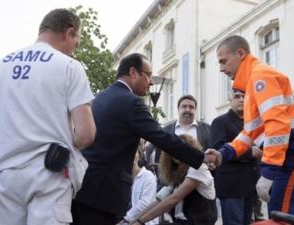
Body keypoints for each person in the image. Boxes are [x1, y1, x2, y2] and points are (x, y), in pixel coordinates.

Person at [0, 8, 96, 225]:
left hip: (6, 173)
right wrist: (64, 139)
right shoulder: (69, 66)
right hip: (49, 172)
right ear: (69, 33)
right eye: (76, 42)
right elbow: (86, 135)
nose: (74, 50)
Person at [72, 53, 219, 225]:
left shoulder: (99, 98)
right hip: (105, 196)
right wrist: (201, 156)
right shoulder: (131, 102)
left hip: (82, 188)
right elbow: (160, 136)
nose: (151, 81)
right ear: (133, 73)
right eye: (148, 75)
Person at [212, 35, 294, 223]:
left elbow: (278, 126)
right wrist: (223, 154)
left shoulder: (260, 77)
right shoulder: (254, 82)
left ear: (240, 54)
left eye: (223, 61)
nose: (221, 68)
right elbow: (250, 132)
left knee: (283, 218)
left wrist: (268, 172)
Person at [134, 134, 217, 225]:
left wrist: (140, 221)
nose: (176, 153)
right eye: (173, 150)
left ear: (190, 151)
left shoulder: (198, 168)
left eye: (181, 150)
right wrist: (133, 220)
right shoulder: (177, 174)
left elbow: (175, 198)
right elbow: (158, 200)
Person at [210, 89, 261, 225]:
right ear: (230, 100)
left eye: (245, 97)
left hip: (250, 185)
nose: (241, 99)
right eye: (237, 96)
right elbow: (218, 149)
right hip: (231, 186)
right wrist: (249, 153)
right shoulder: (220, 122)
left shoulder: (252, 124)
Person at [145, 94, 211, 176]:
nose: (187, 109)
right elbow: (158, 160)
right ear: (178, 109)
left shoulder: (208, 129)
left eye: (191, 107)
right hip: (172, 183)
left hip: (200, 181)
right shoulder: (166, 131)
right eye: (184, 106)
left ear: (195, 110)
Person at [117, 149, 158, 225]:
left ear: (139, 156)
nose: (130, 155)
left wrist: (124, 219)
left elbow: (144, 204)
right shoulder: (119, 177)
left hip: (142, 221)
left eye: (134, 152)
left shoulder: (148, 176)